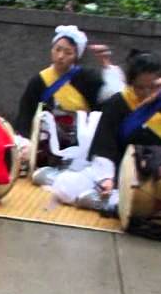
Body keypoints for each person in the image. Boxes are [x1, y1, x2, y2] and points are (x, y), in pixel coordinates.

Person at [45, 50, 161, 214]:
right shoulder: (119, 103)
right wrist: (105, 179)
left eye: (152, 87)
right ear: (130, 84)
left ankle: (112, 203)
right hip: (123, 171)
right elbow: (105, 144)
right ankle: (109, 200)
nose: (146, 93)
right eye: (139, 87)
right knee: (65, 185)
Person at [16, 25, 124, 180]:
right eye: (57, 49)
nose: (60, 56)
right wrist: (24, 142)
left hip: (82, 141)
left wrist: (106, 65)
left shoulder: (88, 78)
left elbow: (111, 99)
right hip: (49, 141)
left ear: (76, 56)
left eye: (68, 52)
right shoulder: (39, 80)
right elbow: (26, 113)